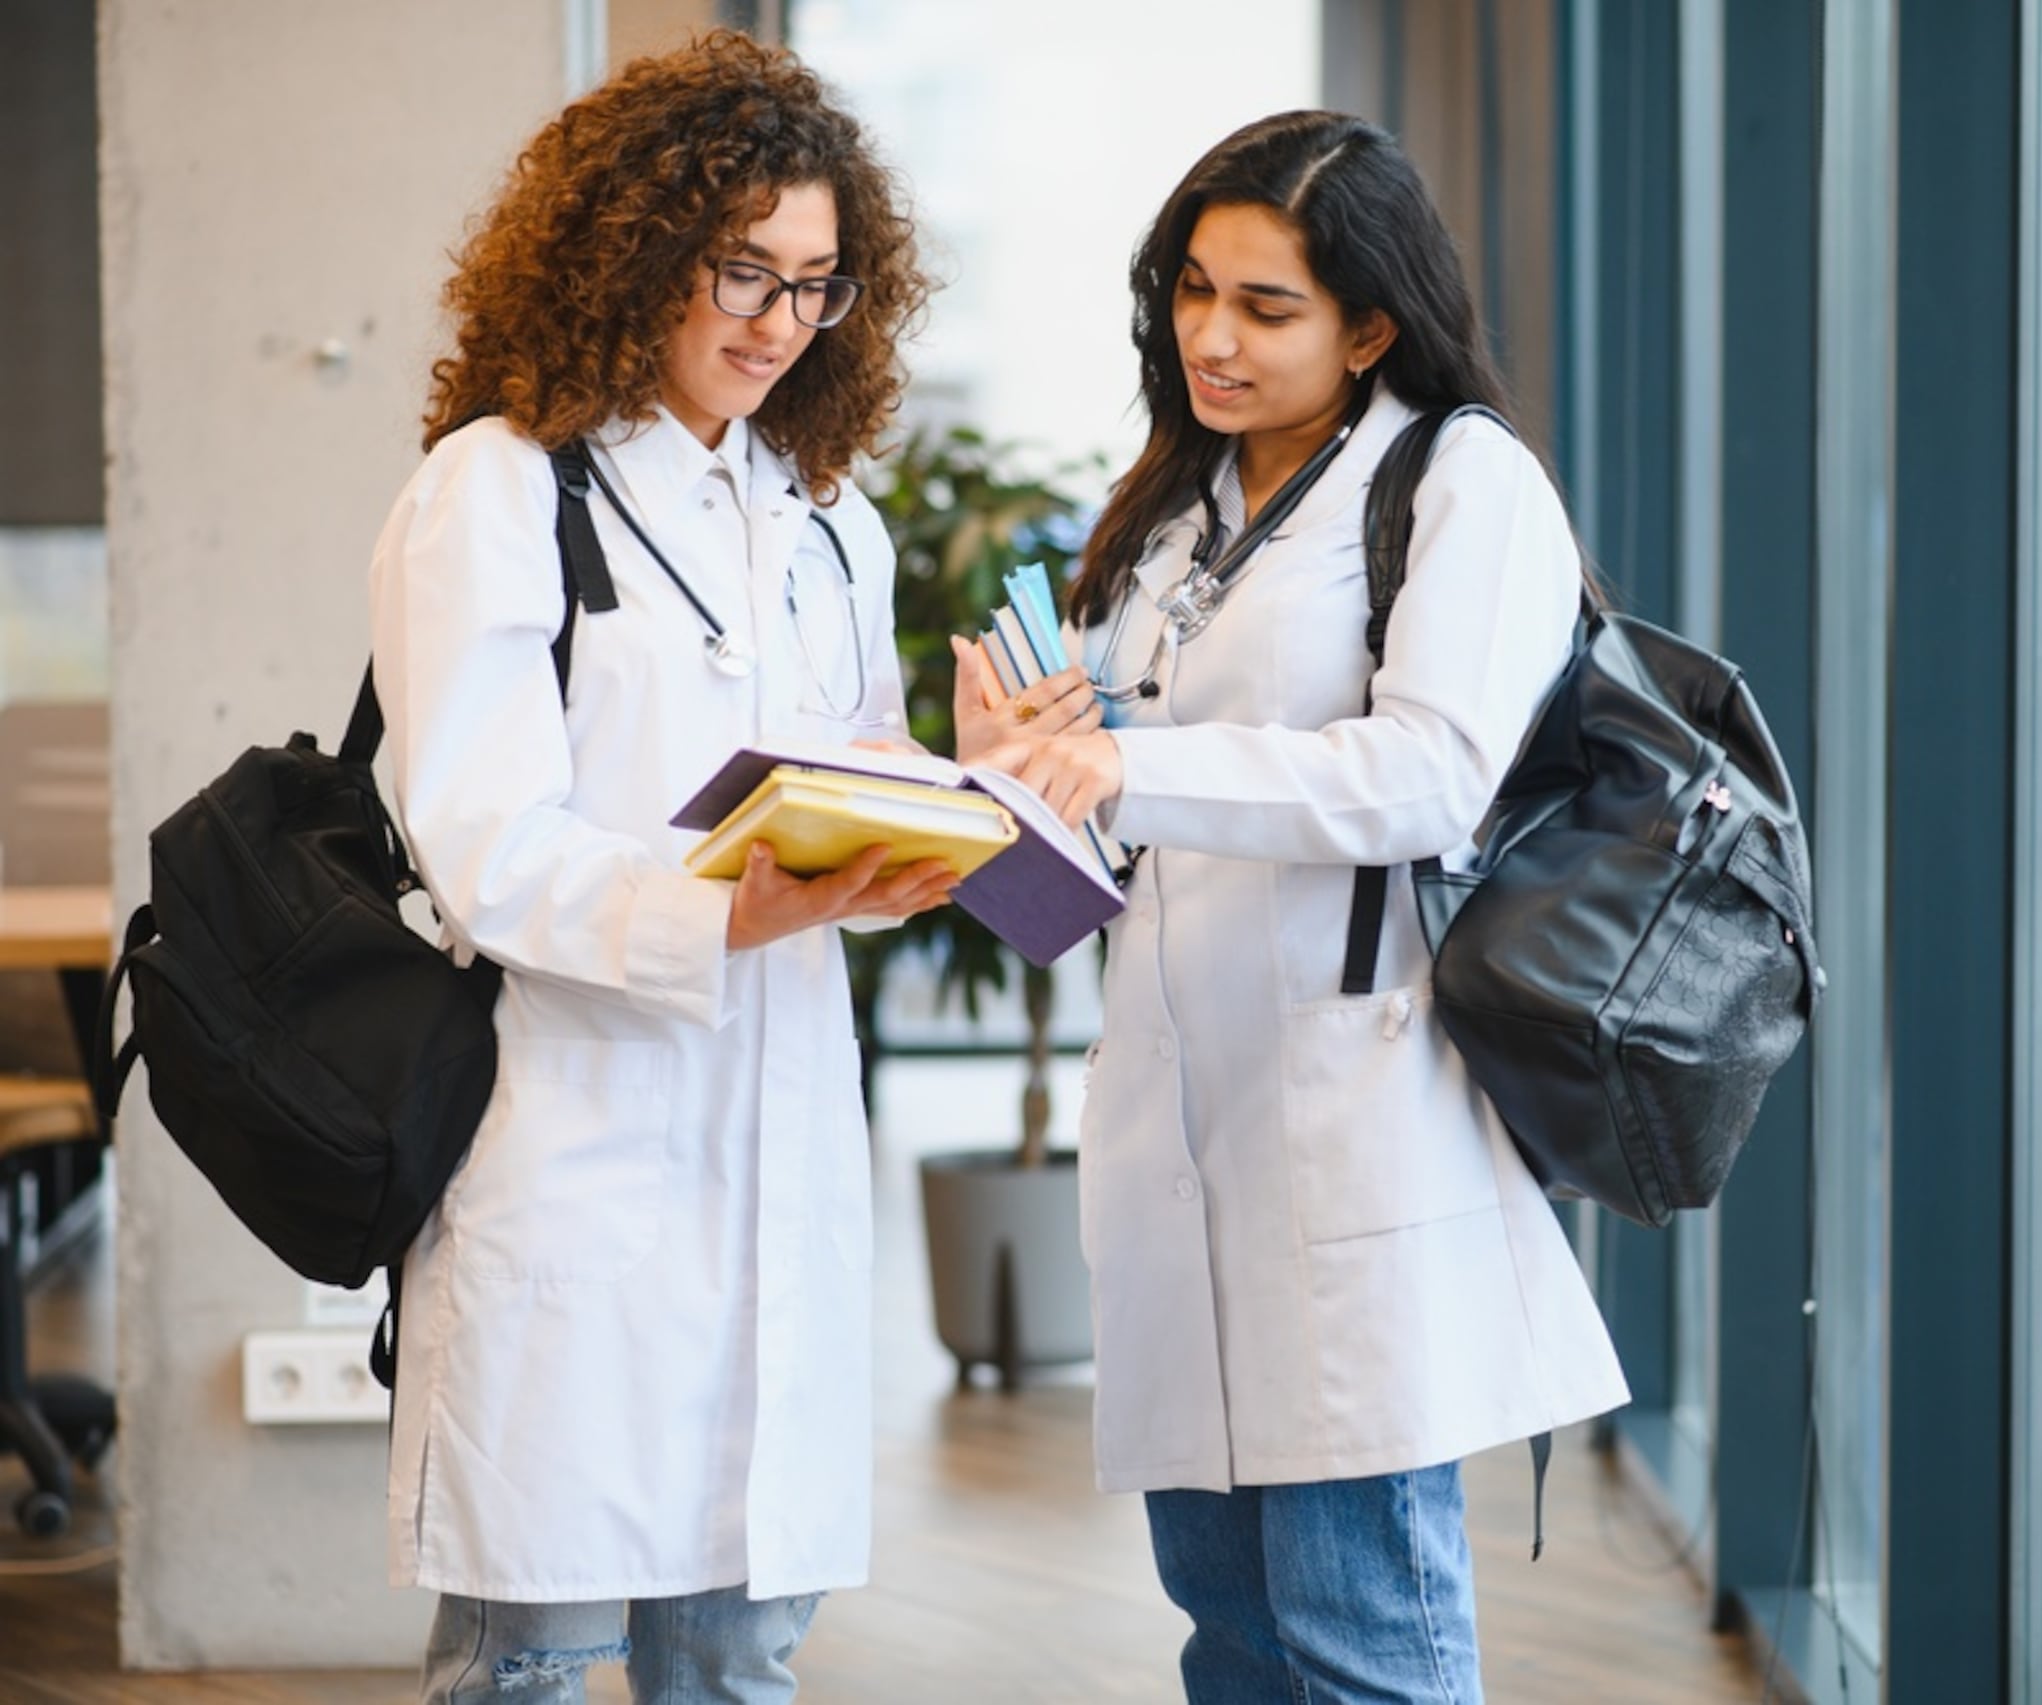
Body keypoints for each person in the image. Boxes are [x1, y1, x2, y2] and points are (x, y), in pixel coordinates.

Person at [958, 110, 1630, 1704]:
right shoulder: (1165, 522)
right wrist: (1006, 790)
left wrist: (1127, 768)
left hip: (1352, 1135)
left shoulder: (1460, 483)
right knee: (1235, 1642)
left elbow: (1431, 775)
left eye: (1267, 307)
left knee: (1361, 1644)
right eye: (1193, 291)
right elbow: (1079, 899)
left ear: (1371, 322)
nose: (1212, 337)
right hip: (1174, 1150)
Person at [367, 33, 951, 1703]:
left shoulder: (833, 519)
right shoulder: (497, 489)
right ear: (631, 254)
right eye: (742, 270)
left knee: (740, 1663)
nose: (778, 323)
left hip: (783, 1144)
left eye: (818, 286)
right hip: (575, 1151)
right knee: (532, 1663)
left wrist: (933, 825)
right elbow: (479, 846)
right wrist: (723, 906)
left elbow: (853, 770)